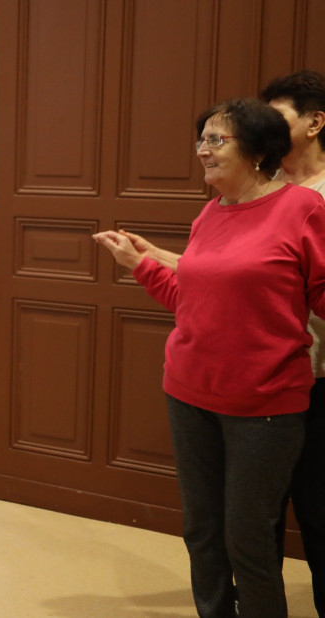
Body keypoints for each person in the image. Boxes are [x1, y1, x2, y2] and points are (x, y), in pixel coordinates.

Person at [93, 98, 325, 617]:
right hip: (188, 392)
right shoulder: (211, 213)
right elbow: (190, 301)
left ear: (259, 150)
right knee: (201, 530)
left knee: (249, 538)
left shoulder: (303, 209)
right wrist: (140, 264)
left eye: (216, 139)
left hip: (265, 404)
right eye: (201, 139)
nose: (202, 150)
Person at [261, 71, 325, 614]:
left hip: (320, 378)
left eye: (277, 117)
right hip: (265, 380)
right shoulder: (259, 188)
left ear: (315, 122)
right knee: (256, 517)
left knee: (319, 512)